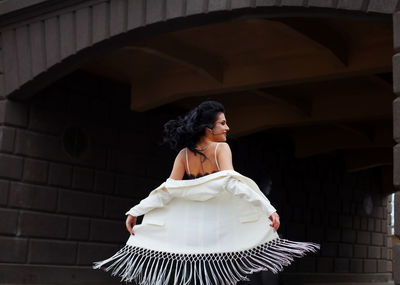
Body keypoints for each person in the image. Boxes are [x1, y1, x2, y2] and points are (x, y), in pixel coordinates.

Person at [94, 101, 319, 285]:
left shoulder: (184, 156)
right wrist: (268, 209)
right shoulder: (221, 148)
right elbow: (234, 185)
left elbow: (165, 192)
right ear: (208, 129)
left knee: (196, 278)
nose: (227, 128)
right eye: (222, 123)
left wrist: (135, 211)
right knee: (223, 277)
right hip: (220, 230)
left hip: (191, 233)